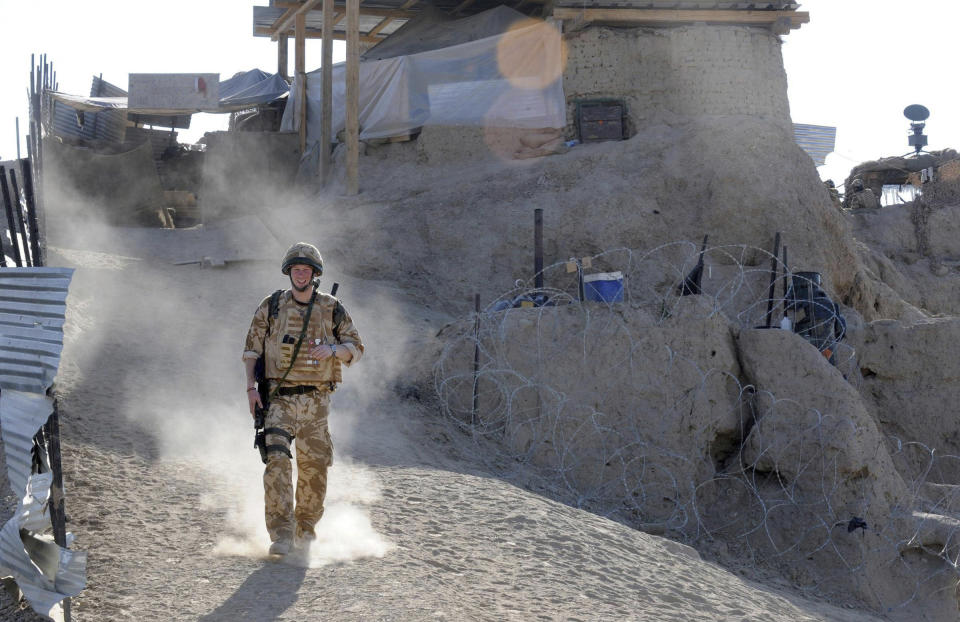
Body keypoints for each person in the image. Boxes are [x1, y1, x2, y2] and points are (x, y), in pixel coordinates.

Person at [242, 242, 364, 555]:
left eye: (305, 270)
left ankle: (305, 530)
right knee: (278, 462)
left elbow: (356, 347)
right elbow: (252, 351)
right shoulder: (271, 306)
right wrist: (251, 388)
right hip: (279, 399)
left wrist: (333, 350)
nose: (300, 274)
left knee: (315, 468)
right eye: (295, 269)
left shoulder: (331, 307)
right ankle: (281, 535)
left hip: (316, 402)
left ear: (314, 274)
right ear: (289, 273)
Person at [784, 271, 846, 366]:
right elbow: (840, 328)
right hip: (825, 343)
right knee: (827, 356)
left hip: (809, 347)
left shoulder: (802, 301)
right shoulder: (827, 302)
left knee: (818, 357)